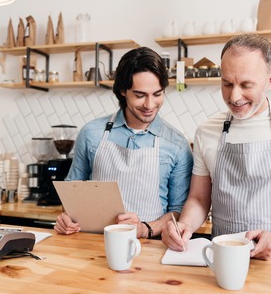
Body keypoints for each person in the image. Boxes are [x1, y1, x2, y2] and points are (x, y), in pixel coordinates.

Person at [162, 34, 271, 260]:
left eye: (246, 85)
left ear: (270, 80)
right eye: (227, 84)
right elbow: (198, 198)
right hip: (224, 263)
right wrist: (184, 225)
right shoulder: (206, 131)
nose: (234, 96)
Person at [54, 47, 193, 239]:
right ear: (122, 91)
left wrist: (144, 229)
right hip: (92, 242)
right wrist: (66, 218)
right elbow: (72, 190)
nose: (150, 105)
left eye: (157, 94)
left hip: (148, 247)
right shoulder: (91, 133)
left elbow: (179, 210)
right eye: (140, 95)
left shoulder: (176, 144)